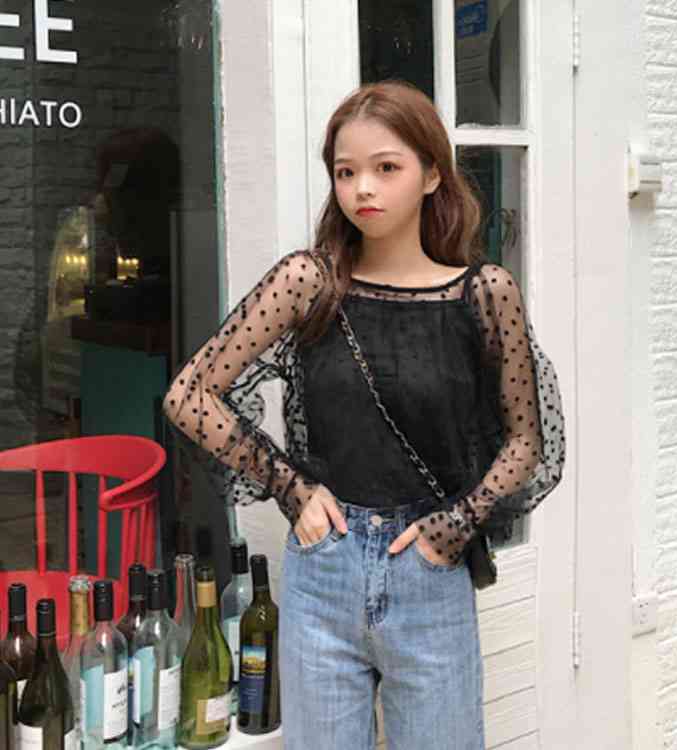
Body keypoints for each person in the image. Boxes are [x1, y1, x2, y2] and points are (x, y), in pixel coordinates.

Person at [162, 79, 565, 750]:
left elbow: (526, 440)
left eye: (386, 168)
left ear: (432, 175)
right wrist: (292, 487)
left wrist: (456, 526)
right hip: (326, 569)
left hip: (429, 573)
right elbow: (189, 396)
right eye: (346, 172)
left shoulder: (485, 293)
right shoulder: (307, 282)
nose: (363, 189)